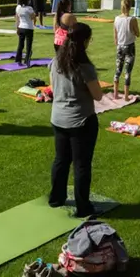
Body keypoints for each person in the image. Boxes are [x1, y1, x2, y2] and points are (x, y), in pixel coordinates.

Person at [48, 22, 103, 218]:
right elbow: (98, 96)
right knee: (81, 165)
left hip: (58, 117)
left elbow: (54, 87)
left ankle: (56, 198)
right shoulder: (84, 67)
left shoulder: (56, 61)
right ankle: (83, 206)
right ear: (84, 41)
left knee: (61, 160)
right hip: (81, 121)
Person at [113, 0, 140, 101]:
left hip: (120, 46)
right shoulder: (132, 19)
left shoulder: (116, 19)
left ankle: (115, 94)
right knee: (127, 71)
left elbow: (115, 36)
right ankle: (126, 96)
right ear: (130, 7)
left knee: (118, 70)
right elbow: (138, 33)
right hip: (129, 47)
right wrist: (133, 32)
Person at [15, 0, 36, 66]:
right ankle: (27, 61)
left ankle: (18, 59)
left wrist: (17, 28)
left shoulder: (18, 7)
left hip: (21, 27)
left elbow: (17, 19)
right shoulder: (29, 8)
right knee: (28, 46)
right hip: (28, 28)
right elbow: (32, 18)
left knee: (20, 45)